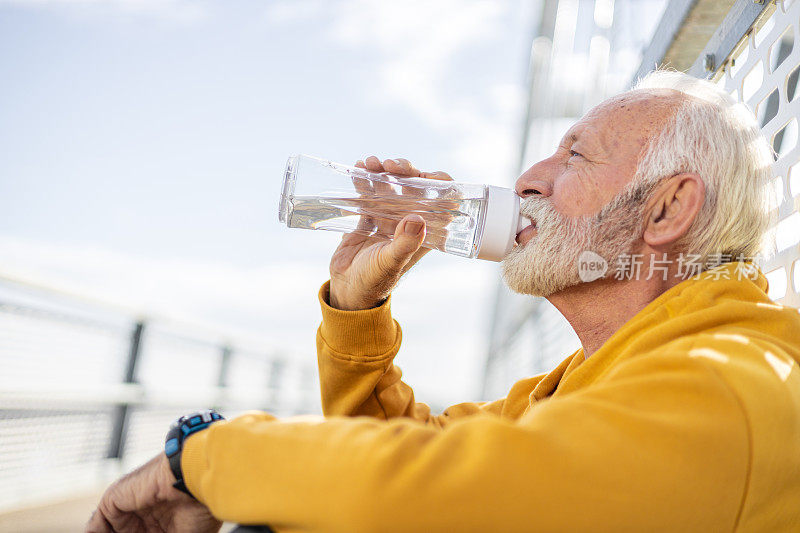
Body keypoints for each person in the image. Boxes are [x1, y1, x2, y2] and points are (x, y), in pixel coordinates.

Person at [87, 70, 800, 532]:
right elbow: (414, 455)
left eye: (576, 156)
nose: (527, 177)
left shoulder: (726, 380)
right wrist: (357, 308)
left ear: (669, 207)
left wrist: (200, 458)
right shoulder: (595, 378)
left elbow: (425, 496)